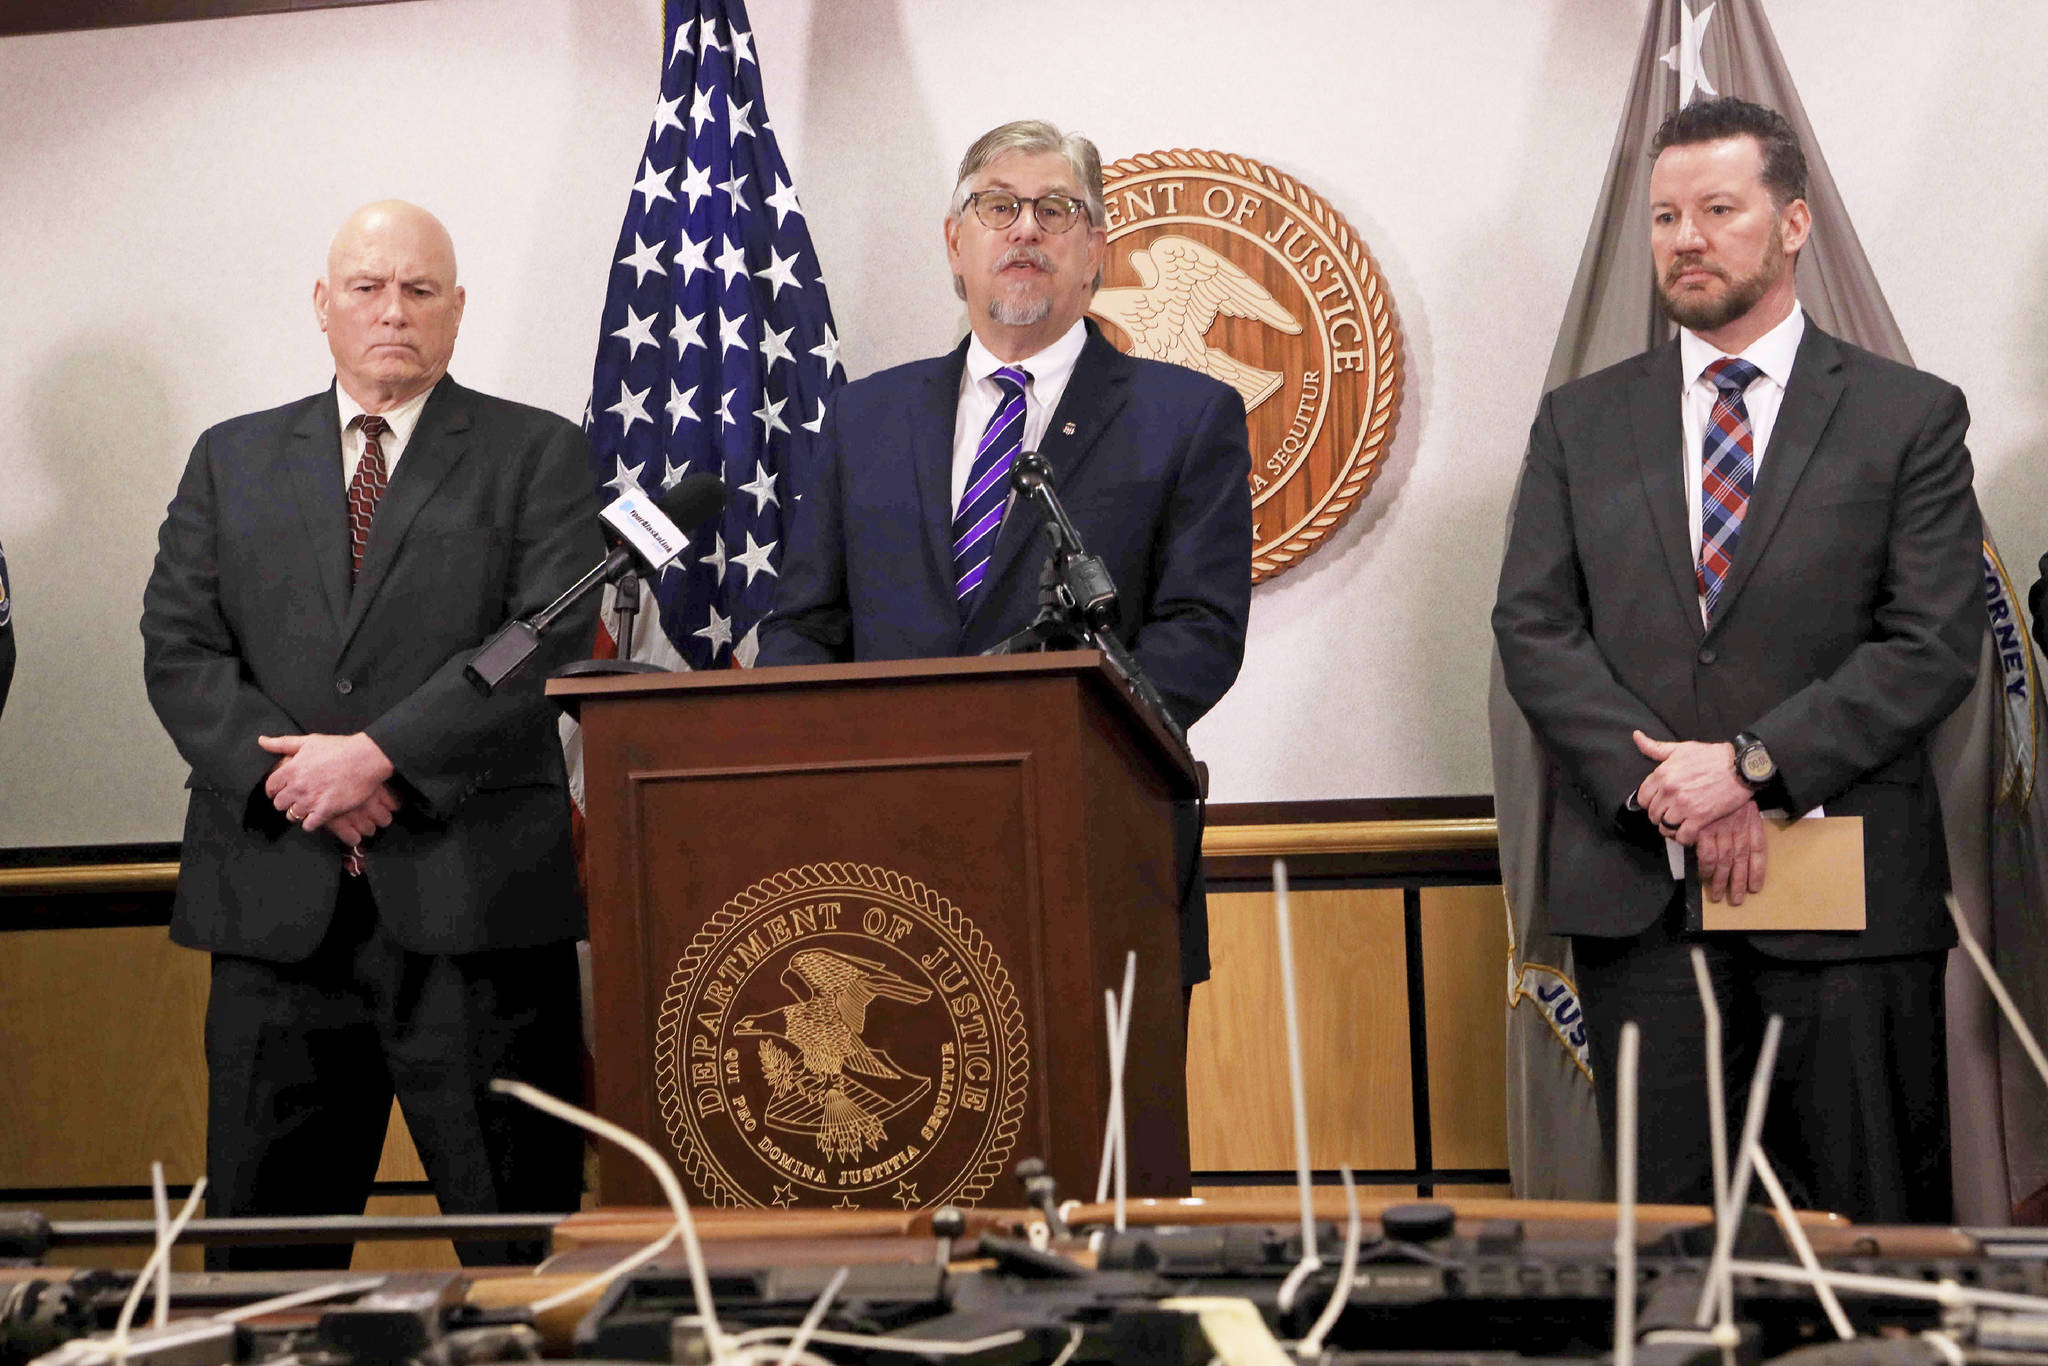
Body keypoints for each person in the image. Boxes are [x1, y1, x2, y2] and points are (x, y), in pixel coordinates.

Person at [1492, 97, 1983, 1223]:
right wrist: (1666, 786)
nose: (1684, 238)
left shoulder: (1905, 416)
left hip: (1846, 912)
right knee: (1670, 1253)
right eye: (1664, 215)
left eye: (1717, 209)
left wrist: (1750, 765)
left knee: (1858, 1242)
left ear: (1793, 222)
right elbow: (1533, 626)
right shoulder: (1578, 422)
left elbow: (1928, 643)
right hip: (1641, 906)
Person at [141, 201, 601, 1267]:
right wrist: (304, 780)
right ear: (322, 303)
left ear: (456, 310)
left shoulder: (537, 451)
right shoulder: (231, 458)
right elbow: (180, 649)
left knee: (519, 1259)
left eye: (420, 290)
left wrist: (379, 753)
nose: (392, 310)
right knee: (264, 1272)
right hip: (275, 909)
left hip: (475, 912)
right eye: (367, 286)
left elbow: (537, 640)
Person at [758, 119, 1252, 990]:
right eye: (997, 207)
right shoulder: (865, 417)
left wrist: (1035, 749)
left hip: (1094, 846)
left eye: (1056, 210)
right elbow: (803, 625)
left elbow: (1199, 633)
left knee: (1106, 1129)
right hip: (883, 863)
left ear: (1095, 249)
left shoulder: (1186, 417)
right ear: (956, 243)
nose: (1025, 229)